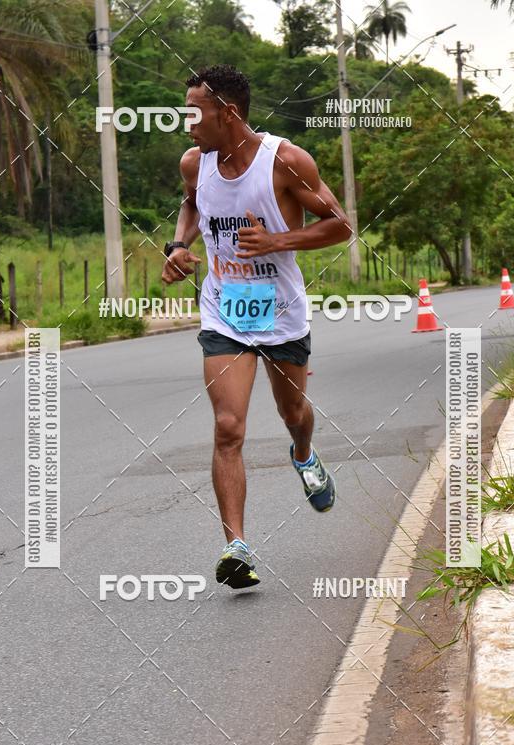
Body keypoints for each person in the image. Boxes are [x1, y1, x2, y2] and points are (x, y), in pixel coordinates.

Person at [162, 64, 351, 589]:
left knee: (293, 412)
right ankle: (236, 547)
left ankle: (304, 454)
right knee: (229, 427)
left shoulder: (286, 161)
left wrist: (277, 242)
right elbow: (191, 205)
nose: (188, 123)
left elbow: (340, 224)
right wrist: (179, 246)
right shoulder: (194, 164)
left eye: (195, 112)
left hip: (281, 309)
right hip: (225, 308)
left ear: (228, 112)